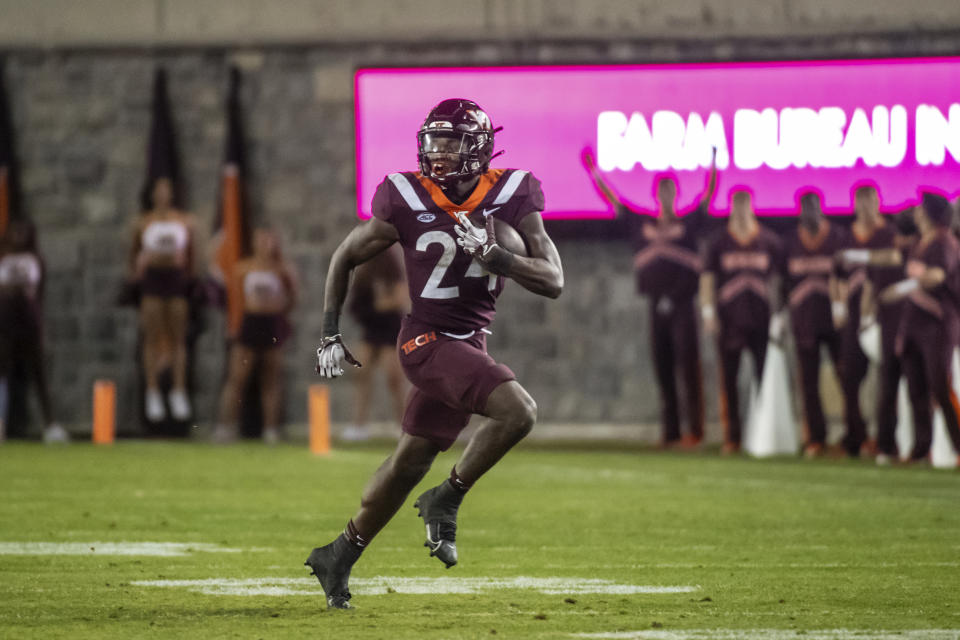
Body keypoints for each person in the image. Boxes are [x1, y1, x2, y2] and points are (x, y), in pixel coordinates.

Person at [306, 98, 563, 609]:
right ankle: (447, 497)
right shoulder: (404, 196)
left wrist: (502, 258)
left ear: (478, 148)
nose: (439, 153)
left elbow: (554, 280)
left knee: (407, 464)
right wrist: (330, 331)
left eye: (452, 142)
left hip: (467, 344)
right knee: (519, 412)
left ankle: (338, 553)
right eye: (434, 141)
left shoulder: (512, 196)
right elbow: (345, 255)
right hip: (424, 342)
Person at [582, 147, 717, 448]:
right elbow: (613, 200)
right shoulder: (642, 223)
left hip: (682, 303)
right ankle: (670, 433)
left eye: (672, 190)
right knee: (663, 366)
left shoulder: (688, 222)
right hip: (656, 303)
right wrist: (594, 171)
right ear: (657, 194)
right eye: (663, 190)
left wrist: (713, 164)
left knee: (688, 366)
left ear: (676, 194)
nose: (667, 195)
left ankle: (694, 431)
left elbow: (708, 197)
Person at [839, 185, 925, 463]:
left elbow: (898, 261)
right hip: (888, 325)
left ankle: (921, 447)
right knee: (885, 387)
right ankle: (885, 445)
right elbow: (870, 284)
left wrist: (861, 257)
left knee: (918, 388)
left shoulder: (920, 249)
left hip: (919, 325)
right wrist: (864, 318)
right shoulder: (882, 246)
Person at [877, 192, 960, 463]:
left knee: (940, 388)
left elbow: (936, 276)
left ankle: (958, 446)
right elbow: (891, 257)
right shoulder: (918, 243)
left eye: (921, 207)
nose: (916, 211)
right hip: (913, 325)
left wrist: (901, 289)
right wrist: (854, 257)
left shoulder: (943, 241)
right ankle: (921, 449)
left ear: (930, 213)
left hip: (937, 324)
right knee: (916, 390)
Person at [700, 190, 784, 455]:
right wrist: (708, 313)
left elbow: (780, 282)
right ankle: (732, 438)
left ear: (752, 206)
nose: (740, 209)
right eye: (736, 204)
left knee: (764, 378)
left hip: (761, 320)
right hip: (730, 321)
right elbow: (707, 279)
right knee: (730, 382)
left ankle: (762, 435)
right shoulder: (719, 241)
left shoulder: (769, 240)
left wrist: (780, 316)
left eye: (745, 204)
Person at [213, 228, 298, 444]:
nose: (265, 244)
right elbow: (236, 300)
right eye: (261, 239)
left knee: (271, 377)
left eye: (269, 240)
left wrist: (282, 316)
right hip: (250, 323)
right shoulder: (244, 268)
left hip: (271, 324)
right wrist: (235, 326)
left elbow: (292, 298)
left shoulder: (282, 270)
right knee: (237, 377)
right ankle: (225, 426)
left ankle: (271, 429)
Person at [127, 177, 199, 423]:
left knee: (178, 337)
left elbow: (192, 257)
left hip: (175, 280)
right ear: (152, 194)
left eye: (166, 189)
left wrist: (188, 275)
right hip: (153, 280)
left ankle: (178, 390)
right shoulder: (143, 222)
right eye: (158, 190)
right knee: (152, 335)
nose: (162, 194)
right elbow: (134, 255)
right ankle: (153, 391)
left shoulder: (184, 221)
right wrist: (138, 271)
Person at [783, 191, 849, 457]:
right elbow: (782, 282)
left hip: (834, 320)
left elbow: (846, 276)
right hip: (804, 320)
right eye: (805, 207)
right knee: (808, 383)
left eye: (814, 206)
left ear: (821, 208)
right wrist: (780, 315)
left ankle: (853, 434)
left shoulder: (837, 237)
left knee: (846, 378)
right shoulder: (790, 241)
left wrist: (842, 307)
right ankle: (816, 438)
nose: (809, 212)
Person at [0, 220, 67, 443]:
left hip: (29, 322)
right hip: (5, 323)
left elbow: (37, 293)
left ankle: (50, 424)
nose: (18, 236)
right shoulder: (4, 258)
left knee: (38, 373)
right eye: (15, 231)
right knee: (2, 373)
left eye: (23, 231)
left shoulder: (35, 259)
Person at [341, 245, 408, 441]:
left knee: (394, 378)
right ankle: (359, 425)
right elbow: (358, 303)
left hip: (390, 328)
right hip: (371, 328)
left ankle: (403, 425)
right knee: (360, 373)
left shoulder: (393, 271)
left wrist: (383, 303)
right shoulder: (364, 272)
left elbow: (400, 299)